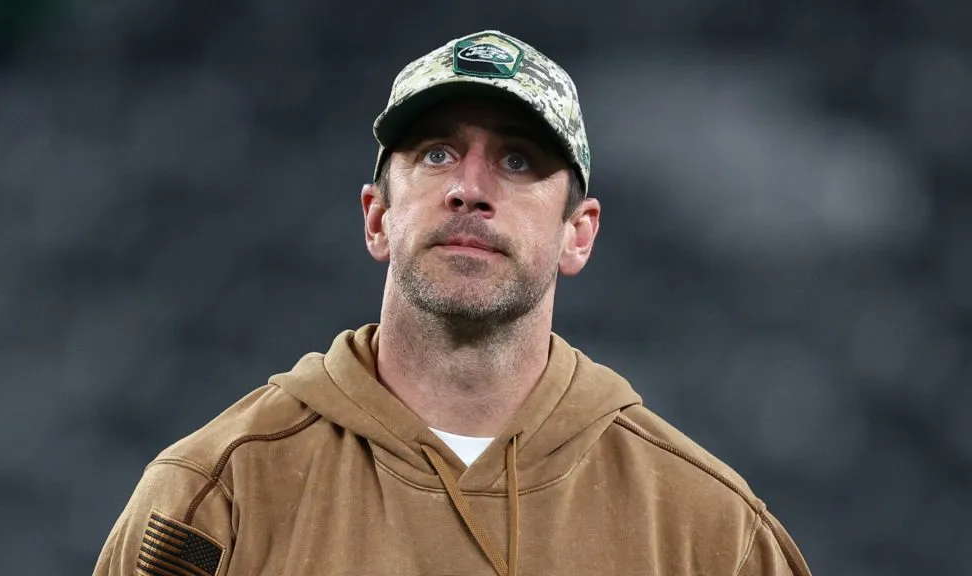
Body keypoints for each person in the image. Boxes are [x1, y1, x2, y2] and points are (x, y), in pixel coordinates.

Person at [93, 30, 813, 576]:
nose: (470, 188)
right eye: (437, 153)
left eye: (518, 160)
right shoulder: (214, 497)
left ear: (578, 233)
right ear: (377, 217)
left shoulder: (709, 532)